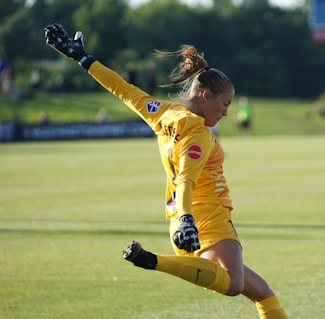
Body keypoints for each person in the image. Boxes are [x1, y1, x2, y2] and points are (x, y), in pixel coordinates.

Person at [44, 23, 288, 319]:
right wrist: (188, 219)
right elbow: (186, 177)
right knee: (235, 284)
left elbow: (122, 89)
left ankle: (156, 259)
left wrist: (84, 59)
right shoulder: (198, 132)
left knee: (262, 294)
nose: (225, 112)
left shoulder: (162, 112)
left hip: (178, 222)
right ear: (206, 95)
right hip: (206, 217)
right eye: (224, 104)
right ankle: (153, 260)